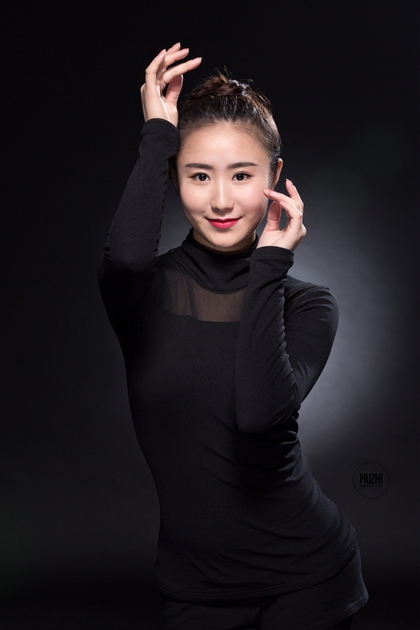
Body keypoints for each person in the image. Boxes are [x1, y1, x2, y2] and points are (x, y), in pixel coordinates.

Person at [99, 43, 368, 630]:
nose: (221, 200)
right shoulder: (144, 290)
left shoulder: (307, 304)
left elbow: (259, 413)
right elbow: (125, 259)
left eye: (241, 175)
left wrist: (269, 267)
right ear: (175, 175)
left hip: (309, 579)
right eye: (199, 175)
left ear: (275, 177)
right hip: (194, 587)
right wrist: (157, 134)